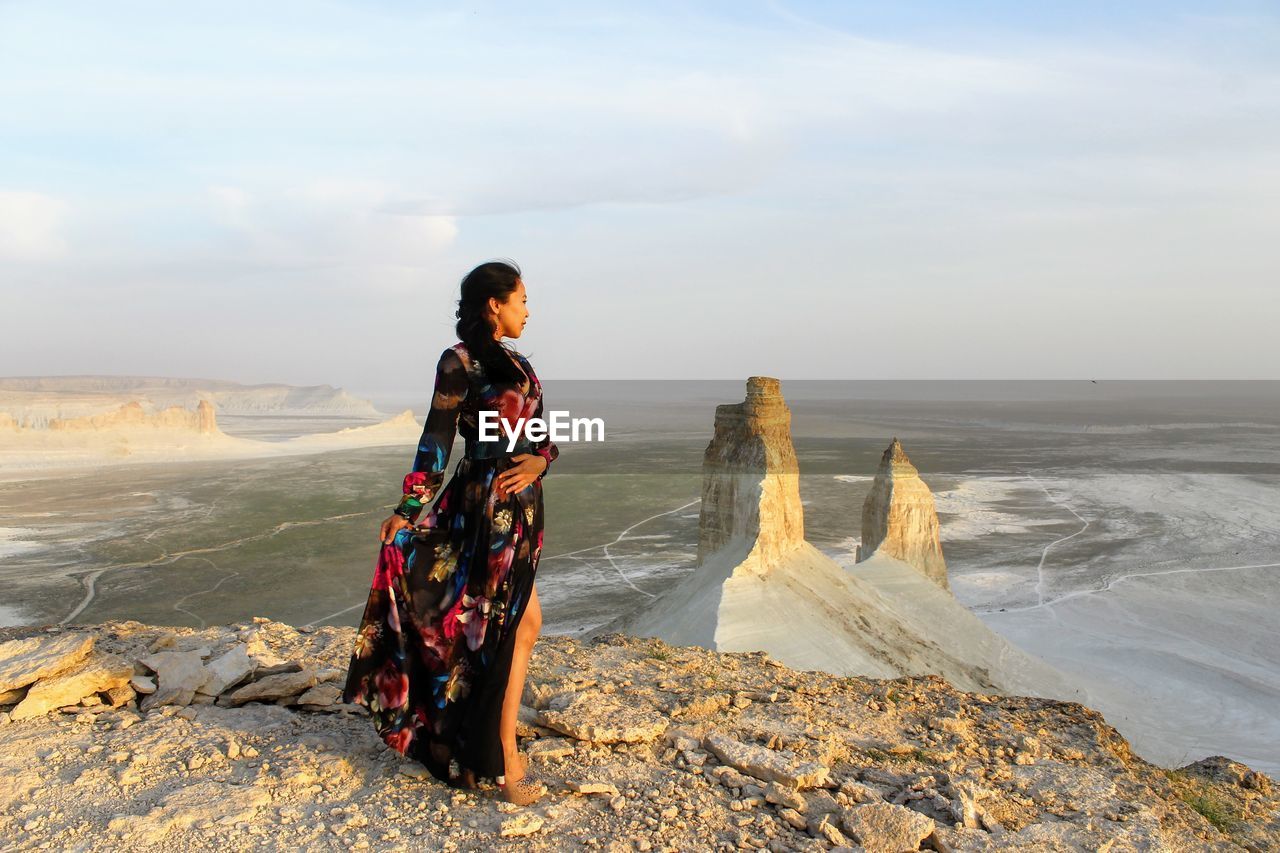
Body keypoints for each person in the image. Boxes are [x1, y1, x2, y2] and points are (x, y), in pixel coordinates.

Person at [341, 259, 558, 806]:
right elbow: (436, 437)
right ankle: (502, 762)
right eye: (521, 300)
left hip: (525, 507)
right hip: (486, 508)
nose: (527, 311)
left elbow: (541, 434)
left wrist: (540, 462)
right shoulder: (458, 362)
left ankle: (483, 746)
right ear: (495, 304)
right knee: (511, 625)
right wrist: (409, 508)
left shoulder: (519, 363)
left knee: (518, 623)